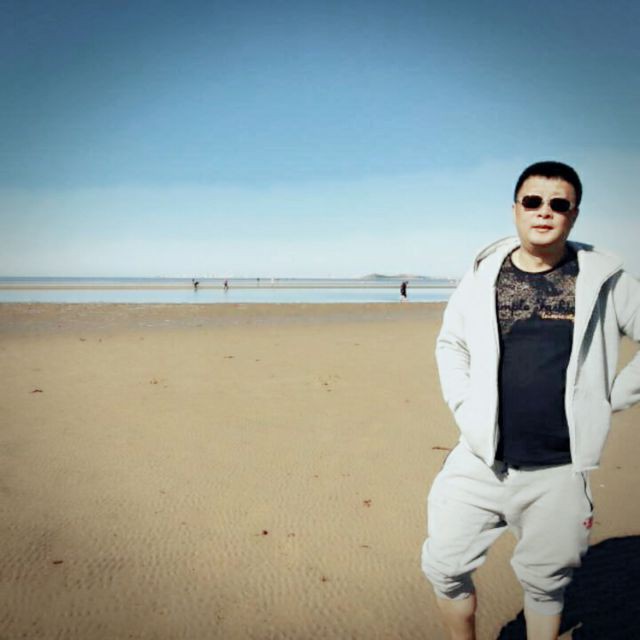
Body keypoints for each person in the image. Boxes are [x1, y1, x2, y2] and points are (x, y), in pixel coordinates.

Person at [421, 161, 640, 640]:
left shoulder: (604, 279)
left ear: (573, 215)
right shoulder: (483, 274)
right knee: (445, 568)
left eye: (559, 204)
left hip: (559, 470)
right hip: (479, 461)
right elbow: (451, 343)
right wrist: (464, 406)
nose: (545, 211)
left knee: (546, 586)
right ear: (516, 209)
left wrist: (609, 398)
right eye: (533, 201)